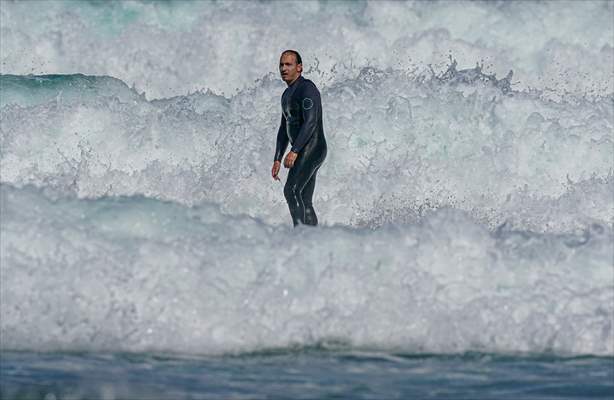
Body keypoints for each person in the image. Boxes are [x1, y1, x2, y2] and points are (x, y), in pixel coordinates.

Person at [271, 50, 327, 227]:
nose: (283, 68)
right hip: (304, 149)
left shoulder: (307, 88)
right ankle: (312, 238)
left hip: (313, 147)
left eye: (288, 64)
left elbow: (310, 122)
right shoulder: (286, 95)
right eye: (281, 65)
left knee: (291, 190)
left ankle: (299, 235)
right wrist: (277, 159)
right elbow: (283, 128)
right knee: (304, 198)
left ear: (299, 67)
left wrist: (294, 151)